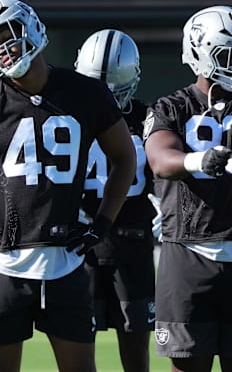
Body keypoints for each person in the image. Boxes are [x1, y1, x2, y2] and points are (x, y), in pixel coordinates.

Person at [0, 0, 137, 372]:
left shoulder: (85, 92)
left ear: (30, 27)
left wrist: (102, 224)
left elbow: (124, 158)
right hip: (2, 263)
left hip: (65, 259)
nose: (0, 50)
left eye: (6, 36)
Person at [143, 5, 232, 372]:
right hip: (188, 255)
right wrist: (199, 161)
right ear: (200, 53)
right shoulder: (171, 107)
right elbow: (161, 159)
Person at [75, 29, 156, 372]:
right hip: (98, 244)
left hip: (116, 241)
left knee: (123, 345)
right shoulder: (148, 118)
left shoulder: (149, 119)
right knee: (84, 345)